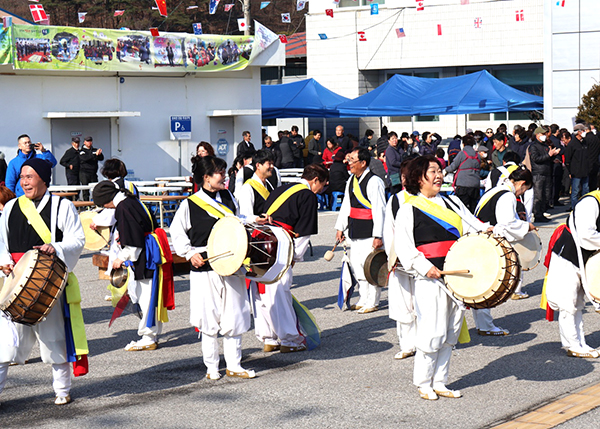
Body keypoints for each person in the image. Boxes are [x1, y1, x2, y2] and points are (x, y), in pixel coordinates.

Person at [395, 155, 489, 400]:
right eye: (432, 171)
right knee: (432, 331)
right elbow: (405, 247)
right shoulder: (408, 208)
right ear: (418, 178)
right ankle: (423, 382)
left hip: (456, 278)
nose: (439, 175)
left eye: (439, 170)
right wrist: (425, 267)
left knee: (450, 332)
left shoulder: (453, 202)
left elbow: (471, 228)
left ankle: (441, 381)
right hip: (431, 278)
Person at [0, 158, 86, 405]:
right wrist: (4, 260)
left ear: (44, 179)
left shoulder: (62, 206)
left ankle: (62, 390)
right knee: (4, 343)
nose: (24, 182)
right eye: (22, 177)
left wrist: (55, 247)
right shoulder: (11, 207)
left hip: (48, 283)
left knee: (53, 339)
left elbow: (77, 240)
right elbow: (2, 242)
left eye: (30, 176)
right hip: (16, 283)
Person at [170, 156, 255, 379]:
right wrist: (190, 253)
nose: (224, 176)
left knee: (234, 313)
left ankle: (234, 364)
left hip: (232, 262)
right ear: (206, 178)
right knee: (209, 317)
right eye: (220, 172)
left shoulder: (228, 197)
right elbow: (177, 234)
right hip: (205, 266)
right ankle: (211, 367)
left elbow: (238, 222)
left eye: (224, 171)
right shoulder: (190, 204)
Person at [92, 180, 173, 352]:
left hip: (145, 252)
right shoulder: (132, 200)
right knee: (151, 293)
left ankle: (148, 336)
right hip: (151, 247)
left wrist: (121, 257)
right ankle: (152, 333)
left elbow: (134, 240)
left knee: (146, 295)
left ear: (107, 200)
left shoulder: (123, 207)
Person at [259, 163, 329, 352]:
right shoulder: (307, 195)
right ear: (315, 180)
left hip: (263, 243)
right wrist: (295, 257)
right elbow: (303, 232)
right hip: (282, 245)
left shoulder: (282, 188)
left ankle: (269, 338)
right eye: (322, 185)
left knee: (264, 292)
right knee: (281, 292)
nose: (321, 189)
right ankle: (290, 340)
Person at [473, 166, 535, 335]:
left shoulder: (497, 189)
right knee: (485, 283)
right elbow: (508, 223)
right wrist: (526, 226)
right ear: (521, 183)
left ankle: (483, 324)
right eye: (524, 189)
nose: (521, 194)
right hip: (488, 240)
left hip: (478, 235)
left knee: (479, 283)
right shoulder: (508, 196)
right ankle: (485, 326)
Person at [544, 190, 600, 358]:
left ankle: (579, 342)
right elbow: (586, 234)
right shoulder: (591, 202)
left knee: (578, 303)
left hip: (582, 257)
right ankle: (572, 343)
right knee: (568, 302)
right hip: (568, 255)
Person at [335, 147, 386, 314]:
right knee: (357, 266)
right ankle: (363, 297)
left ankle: (373, 300)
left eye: (352, 161)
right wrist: (340, 227)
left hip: (369, 232)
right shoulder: (351, 180)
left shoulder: (374, 181)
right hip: (355, 230)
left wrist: (378, 235)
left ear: (363, 163)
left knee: (369, 266)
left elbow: (380, 210)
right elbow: (346, 206)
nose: (349, 164)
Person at [383, 159, 416, 360]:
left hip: (424, 259)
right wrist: (392, 257)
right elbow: (389, 231)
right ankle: (406, 344)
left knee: (425, 302)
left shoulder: (433, 199)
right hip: (401, 261)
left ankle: (427, 342)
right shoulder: (395, 200)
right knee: (402, 303)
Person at [530, 127, 561, 223]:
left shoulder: (545, 145)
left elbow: (547, 157)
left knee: (546, 195)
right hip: (538, 173)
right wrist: (549, 155)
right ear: (537, 135)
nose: (544, 136)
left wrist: (553, 156)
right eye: (542, 134)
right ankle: (537, 214)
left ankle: (542, 212)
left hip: (547, 172)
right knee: (538, 195)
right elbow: (536, 159)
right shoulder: (534, 146)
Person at [237, 149, 276, 224]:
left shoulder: (269, 185)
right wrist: (256, 219)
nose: (272, 166)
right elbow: (245, 216)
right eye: (269, 164)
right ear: (258, 165)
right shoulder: (248, 188)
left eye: (272, 163)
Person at [444, 134, 481, 213]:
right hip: (475, 185)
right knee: (473, 208)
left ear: (463, 144)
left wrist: (444, 170)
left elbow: (452, 167)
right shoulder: (477, 155)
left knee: (462, 209)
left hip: (463, 185)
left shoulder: (462, 154)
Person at [564, 124, 590, 209]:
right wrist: (570, 172)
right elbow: (567, 159)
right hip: (576, 172)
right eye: (583, 131)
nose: (584, 132)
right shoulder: (572, 144)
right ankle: (574, 208)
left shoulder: (585, 142)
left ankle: (585, 207)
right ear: (578, 132)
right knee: (575, 191)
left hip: (585, 171)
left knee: (585, 190)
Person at [79, 136, 104, 201]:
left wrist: (99, 154)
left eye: (90, 141)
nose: (89, 143)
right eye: (87, 141)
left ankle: (95, 203)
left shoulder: (94, 150)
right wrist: (94, 155)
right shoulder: (81, 151)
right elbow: (84, 159)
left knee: (95, 189)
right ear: (84, 142)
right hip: (84, 173)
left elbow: (101, 158)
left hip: (93, 173)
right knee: (85, 190)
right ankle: (86, 204)